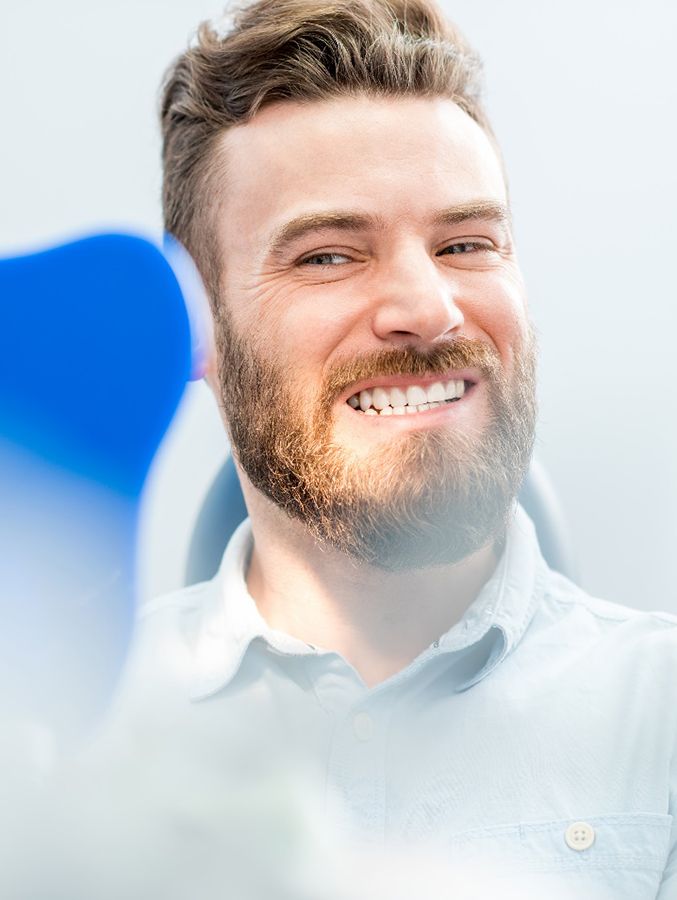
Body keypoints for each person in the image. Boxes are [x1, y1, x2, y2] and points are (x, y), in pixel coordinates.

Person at [94, 0, 677, 896]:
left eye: (466, 243)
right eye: (328, 256)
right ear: (195, 330)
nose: (429, 307)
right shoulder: (69, 742)